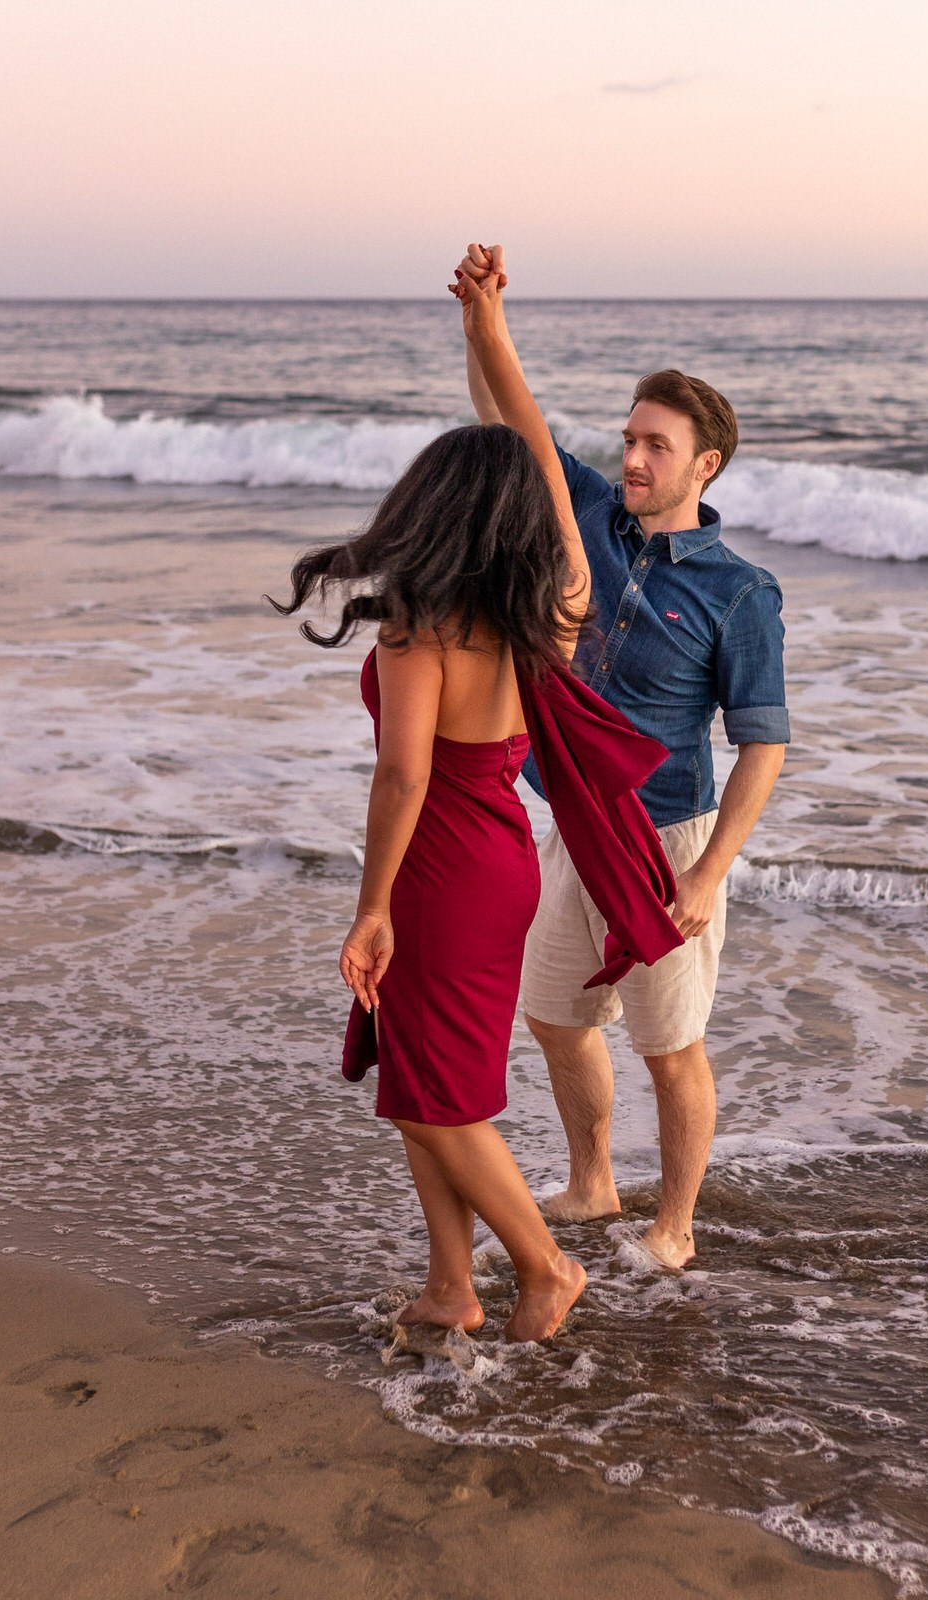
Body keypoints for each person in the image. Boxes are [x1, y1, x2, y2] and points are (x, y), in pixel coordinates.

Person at [271, 267, 677, 1341]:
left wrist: (370, 907)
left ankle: (543, 1268)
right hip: (496, 855)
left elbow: (402, 776)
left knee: (439, 1099)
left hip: (441, 871)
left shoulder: (421, 624)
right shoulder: (555, 604)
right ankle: (452, 1287)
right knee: (420, 1083)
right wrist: (484, 329)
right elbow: (537, 450)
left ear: (432, 504)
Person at [454, 244, 790, 1271]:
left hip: (667, 834)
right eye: (629, 439)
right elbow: (511, 428)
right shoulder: (593, 517)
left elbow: (763, 745)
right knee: (554, 1017)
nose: (633, 458)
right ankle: (593, 1178)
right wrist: (482, 325)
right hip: (571, 825)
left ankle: (675, 1223)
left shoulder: (739, 591)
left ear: (705, 465)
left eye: (655, 444)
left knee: (670, 1048)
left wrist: (706, 872)